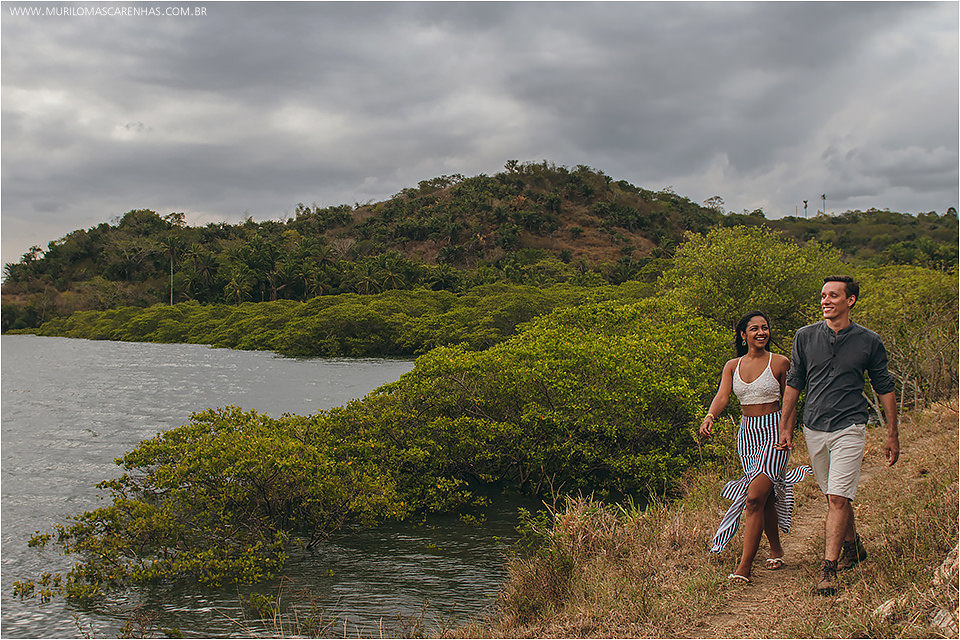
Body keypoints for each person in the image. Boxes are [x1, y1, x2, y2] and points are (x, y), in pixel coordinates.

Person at [777, 275, 899, 596]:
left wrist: (892, 433)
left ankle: (827, 570)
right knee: (835, 493)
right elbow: (794, 382)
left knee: (837, 498)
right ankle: (854, 547)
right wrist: (786, 425)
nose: (825, 301)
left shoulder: (869, 341)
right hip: (814, 426)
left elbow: (884, 386)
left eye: (833, 295)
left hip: (850, 426)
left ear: (850, 301)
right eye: (823, 295)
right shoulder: (805, 337)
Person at [700, 311, 811, 583]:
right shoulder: (732, 365)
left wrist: (786, 430)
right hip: (747, 434)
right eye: (754, 329)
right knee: (765, 497)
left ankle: (744, 567)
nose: (761, 333)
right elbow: (722, 395)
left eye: (765, 327)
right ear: (743, 334)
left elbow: (790, 401)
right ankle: (776, 548)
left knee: (753, 498)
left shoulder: (780, 362)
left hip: (775, 431)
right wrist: (710, 416)